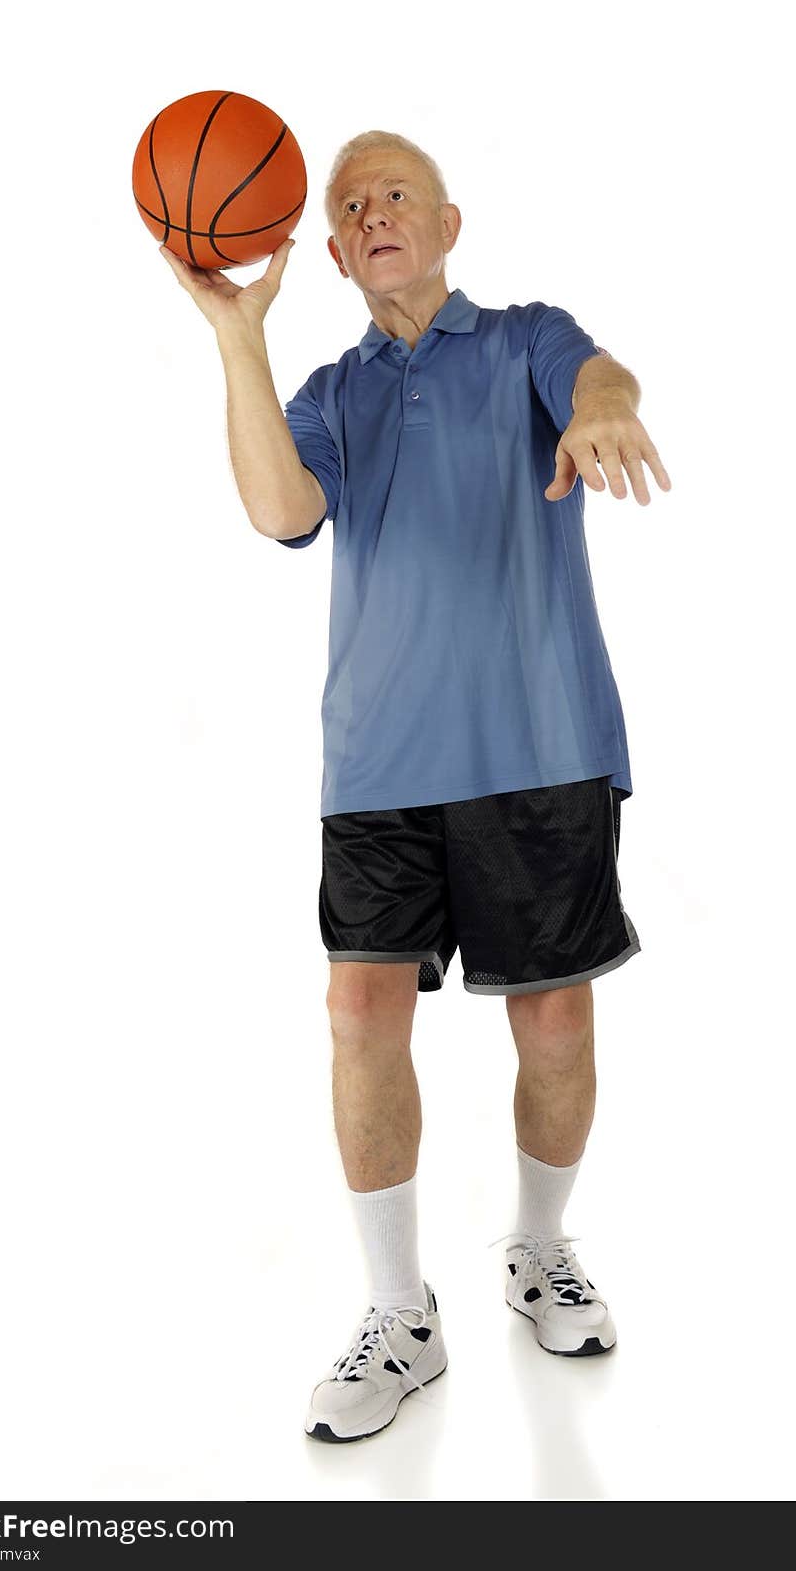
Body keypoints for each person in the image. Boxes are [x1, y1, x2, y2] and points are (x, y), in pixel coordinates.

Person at [159, 129, 672, 1446]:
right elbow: (279, 510)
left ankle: (539, 1248)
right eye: (351, 205)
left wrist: (608, 402)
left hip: (538, 744)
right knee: (359, 1012)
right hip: (381, 760)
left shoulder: (527, 342)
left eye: (398, 194)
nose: (376, 211)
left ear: (450, 222)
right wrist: (235, 335)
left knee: (554, 1025)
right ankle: (401, 1312)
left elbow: (596, 369)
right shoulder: (334, 391)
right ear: (329, 253)